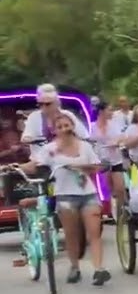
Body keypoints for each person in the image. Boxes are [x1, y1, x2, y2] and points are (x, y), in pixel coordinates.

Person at [17, 113, 109, 285]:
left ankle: (99, 269)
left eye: (66, 125)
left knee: (94, 232)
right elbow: (35, 165)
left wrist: (84, 167)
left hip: (88, 193)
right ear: (54, 130)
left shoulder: (84, 147)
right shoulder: (49, 150)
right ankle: (74, 267)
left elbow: (96, 166)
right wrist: (15, 167)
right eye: (59, 127)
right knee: (71, 234)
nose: (64, 129)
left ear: (72, 126)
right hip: (65, 195)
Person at [21, 84, 88, 143]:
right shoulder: (34, 117)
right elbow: (25, 137)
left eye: (47, 104)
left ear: (56, 103)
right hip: (40, 155)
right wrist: (35, 139)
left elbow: (84, 135)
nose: (43, 107)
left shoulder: (67, 115)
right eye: (40, 104)